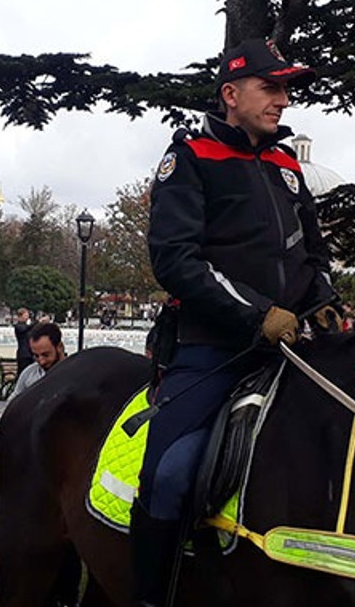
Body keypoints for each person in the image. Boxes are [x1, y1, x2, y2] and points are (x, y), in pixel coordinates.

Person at [132, 38, 341, 606]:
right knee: (170, 477)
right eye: (270, 87)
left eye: (286, 89)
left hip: (293, 347)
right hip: (212, 351)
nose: (283, 100)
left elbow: (313, 255)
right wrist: (257, 315)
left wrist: (321, 298)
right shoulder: (191, 158)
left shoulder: (286, 164)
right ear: (231, 93)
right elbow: (175, 260)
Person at [6, 321, 66, 403]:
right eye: (36, 356)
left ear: (59, 347)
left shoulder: (75, 374)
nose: (41, 362)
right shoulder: (28, 374)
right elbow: (12, 403)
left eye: (45, 355)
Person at [12, 307, 34, 372]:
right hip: (23, 354)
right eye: (26, 315)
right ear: (21, 315)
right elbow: (23, 329)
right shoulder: (18, 326)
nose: (27, 317)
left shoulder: (27, 327)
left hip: (30, 353)